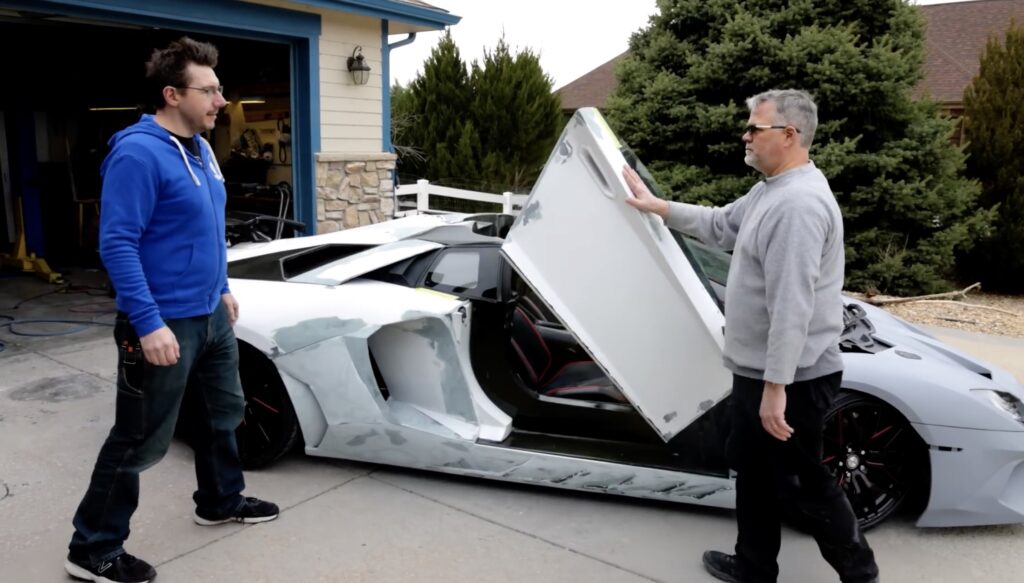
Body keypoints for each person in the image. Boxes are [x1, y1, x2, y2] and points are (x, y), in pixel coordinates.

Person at [622, 89, 879, 583]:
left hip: (793, 379)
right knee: (756, 471)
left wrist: (775, 389)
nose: (745, 135)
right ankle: (754, 566)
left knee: (805, 481)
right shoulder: (770, 191)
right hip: (761, 370)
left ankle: (860, 575)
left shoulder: (797, 205)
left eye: (754, 128)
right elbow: (721, 224)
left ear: (789, 136)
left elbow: (792, 306)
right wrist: (659, 207)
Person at [66, 37, 278, 583]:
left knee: (220, 415)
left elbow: (203, 230)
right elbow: (117, 243)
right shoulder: (137, 152)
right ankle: (92, 547)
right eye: (208, 90)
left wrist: (222, 286)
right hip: (163, 322)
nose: (221, 100)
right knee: (137, 438)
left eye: (219, 88)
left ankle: (220, 500)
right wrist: (148, 320)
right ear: (171, 94)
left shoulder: (204, 150)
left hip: (210, 313)